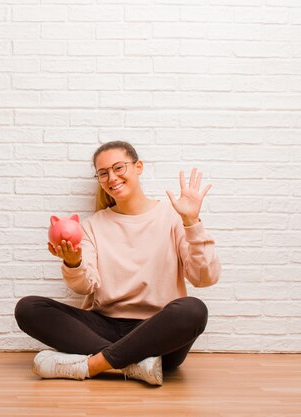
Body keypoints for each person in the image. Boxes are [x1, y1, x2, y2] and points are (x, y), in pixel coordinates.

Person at [14, 141, 221, 385]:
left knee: (194, 310)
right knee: (28, 308)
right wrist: (74, 262)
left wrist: (192, 222)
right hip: (103, 326)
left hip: (157, 332)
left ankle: (93, 365)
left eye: (119, 168)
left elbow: (204, 278)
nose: (112, 177)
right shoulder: (93, 226)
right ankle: (135, 365)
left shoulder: (173, 218)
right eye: (103, 173)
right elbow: (85, 286)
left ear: (138, 167)